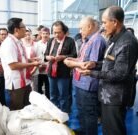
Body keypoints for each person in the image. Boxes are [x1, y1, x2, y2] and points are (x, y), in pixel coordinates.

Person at [80, 6, 138, 135]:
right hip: (107, 95)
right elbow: (109, 62)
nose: (103, 26)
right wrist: (94, 64)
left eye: (105, 22)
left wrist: (92, 73)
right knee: (107, 129)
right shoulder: (114, 39)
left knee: (114, 131)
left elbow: (119, 74)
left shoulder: (127, 43)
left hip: (116, 97)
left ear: (115, 22)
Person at [64, 17, 106, 135]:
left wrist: (72, 63)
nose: (80, 30)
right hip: (80, 82)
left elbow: (90, 65)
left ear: (89, 26)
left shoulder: (97, 40)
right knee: (81, 110)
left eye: (81, 28)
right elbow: (83, 59)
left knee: (89, 113)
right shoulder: (87, 40)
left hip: (88, 83)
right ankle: (83, 130)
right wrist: (73, 59)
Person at [0, 18, 41, 110]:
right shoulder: (9, 44)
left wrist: (30, 60)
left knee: (26, 109)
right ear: (16, 30)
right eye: (24, 27)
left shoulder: (18, 42)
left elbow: (20, 59)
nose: (25, 30)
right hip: (16, 85)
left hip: (24, 81)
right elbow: (13, 65)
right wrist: (33, 64)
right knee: (17, 112)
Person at [44, 21, 77, 113]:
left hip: (64, 73)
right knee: (53, 95)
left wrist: (63, 57)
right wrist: (48, 57)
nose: (56, 34)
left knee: (63, 95)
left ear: (64, 31)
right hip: (51, 72)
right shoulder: (51, 40)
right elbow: (45, 54)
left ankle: (64, 114)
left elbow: (74, 55)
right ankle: (54, 113)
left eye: (59, 32)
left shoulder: (70, 41)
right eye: (54, 32)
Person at [36, 27, 50, 99]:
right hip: (39, 70)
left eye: (47, 33)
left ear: (49, 34)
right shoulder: (36, 44)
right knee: (38, 89)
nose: (45, 35)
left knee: (49, 89)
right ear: (41, 34)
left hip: (48, 70)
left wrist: (46, 65)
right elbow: (35, 56)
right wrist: (40, 65)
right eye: (43, 33)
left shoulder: (52, 44)